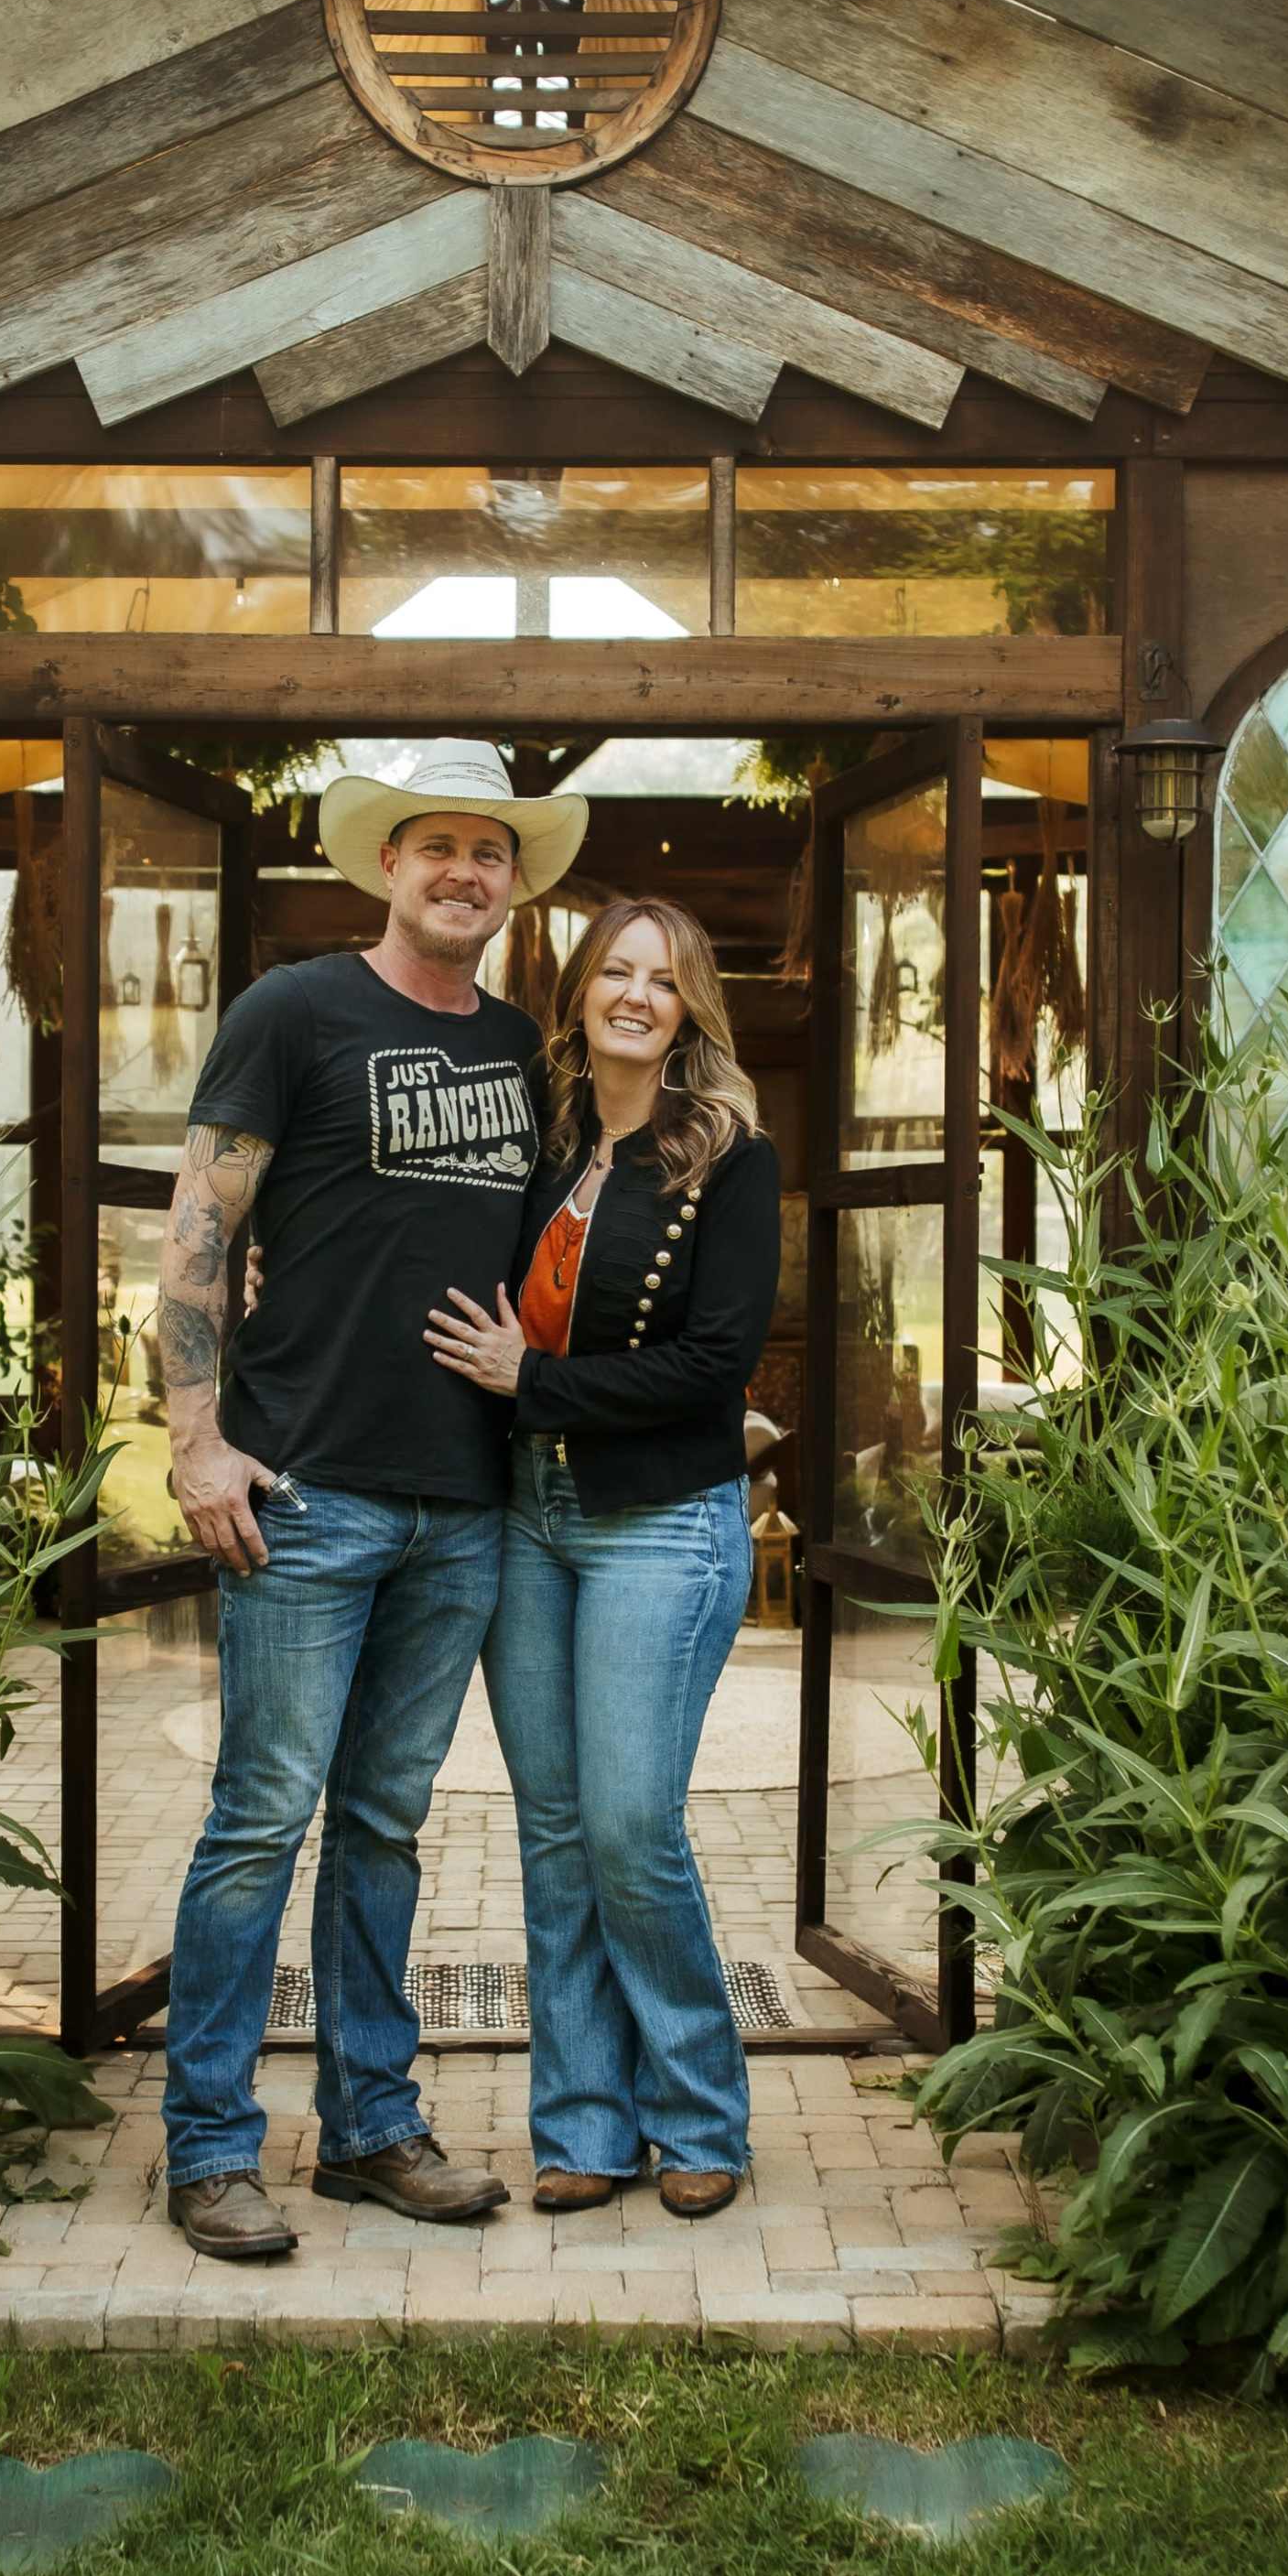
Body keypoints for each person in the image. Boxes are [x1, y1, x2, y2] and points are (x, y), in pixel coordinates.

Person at [152, 742, 588, 2263]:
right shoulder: (294, 1011)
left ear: (512, 882)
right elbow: (203, 1223)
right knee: (259, 1818)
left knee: (388, 1825)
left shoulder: (528, 1048)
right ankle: (208, 2148)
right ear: (386, 866)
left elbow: (557, 1258)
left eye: (490, 852)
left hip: (461, 1506)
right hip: (306, 1490)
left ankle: (369, 2129)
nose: (464, 872)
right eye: (437, 848)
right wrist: (195, 1436)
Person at [424, 896, 779, 2220]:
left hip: (660, 1525)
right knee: (558, 1832)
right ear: (580, 991)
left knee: (632, 1827)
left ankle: (698, 2115)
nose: (637, 995)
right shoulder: (544, 1137)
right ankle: (582, 2124)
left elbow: (714, 1369)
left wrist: (538, 1380)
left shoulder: (731, 1160)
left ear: (690, 1008)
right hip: (531, 1518)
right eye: (616, 972)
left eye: (665, 979)